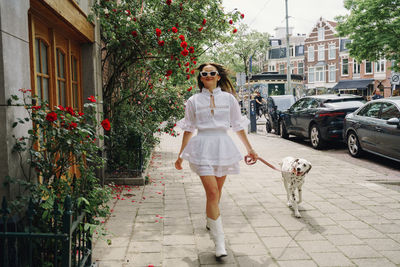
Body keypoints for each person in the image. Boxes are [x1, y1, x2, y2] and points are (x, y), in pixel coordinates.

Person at [175, 63, 258, 258]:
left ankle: (210, 219)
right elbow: (189, 129)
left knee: (217, 193)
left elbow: (238, 126)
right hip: (202, 146)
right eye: (205, 74)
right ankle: (219, 241)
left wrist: (250, 149)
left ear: (218, 76)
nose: (209, 76)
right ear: (201, 77)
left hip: (223, 146)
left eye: (212, 73)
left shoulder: (229, 99)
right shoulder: (193, 100)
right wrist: (180, 155)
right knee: (212, 192)